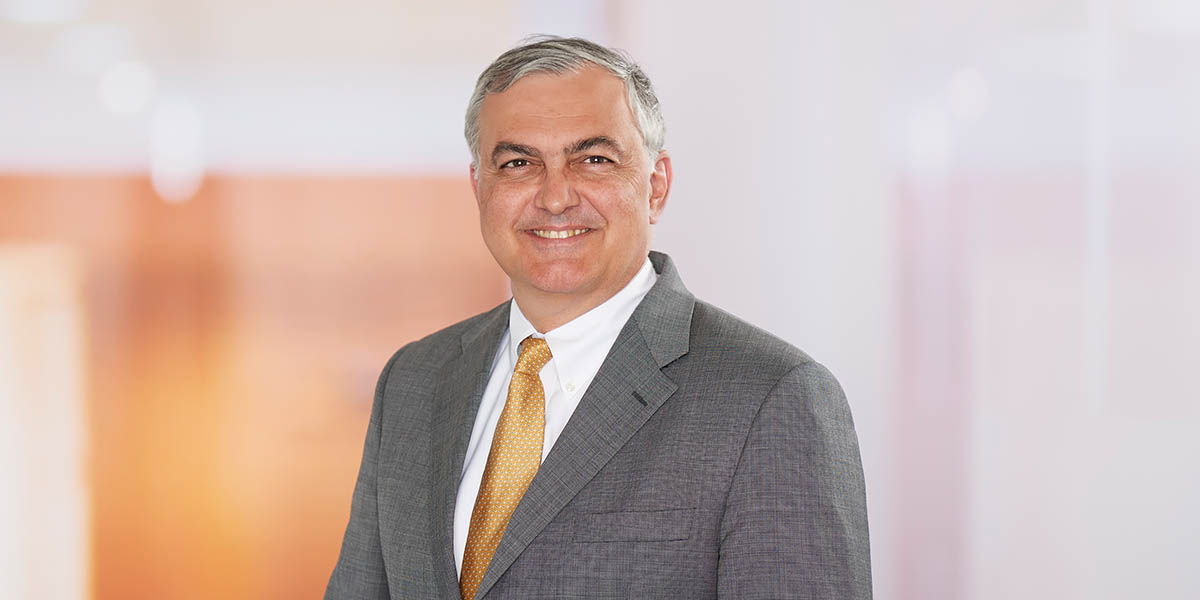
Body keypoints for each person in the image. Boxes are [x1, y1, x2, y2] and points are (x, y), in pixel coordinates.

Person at [324, 36, 871, 599]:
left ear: (655, 186)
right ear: (478, 188)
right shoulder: (414, 380)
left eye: (593, 160)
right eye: (518, 163)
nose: (555, 197)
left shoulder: (771, 398)